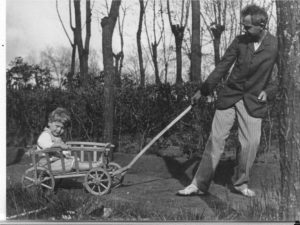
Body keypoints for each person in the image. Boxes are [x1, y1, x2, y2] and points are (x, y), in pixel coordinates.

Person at [178, 4, 278, 197]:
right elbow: (223, 66)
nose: (244, 30)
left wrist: (269, 91)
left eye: (248, 27)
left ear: (262, 25)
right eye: (243, 26)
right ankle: (199, 184)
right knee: (215, 139)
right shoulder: (240, 41)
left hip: (254, 100)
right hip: (230, 96)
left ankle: (241, 184)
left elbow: (282, 75)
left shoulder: (275, 44)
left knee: (251, 143)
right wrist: (204, 90)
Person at [36, 107, 103, 172]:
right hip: (48, 164)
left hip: (56, 162)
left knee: (74, 160)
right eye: (57, 126)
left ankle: (93, 165)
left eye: (62, 128)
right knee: (72, 163)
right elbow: (44, 144)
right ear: (49, 123)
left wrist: (66, 153)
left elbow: (61, 150)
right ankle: (95, 165)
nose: (59, 130)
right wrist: (58, 145)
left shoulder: (57, 138)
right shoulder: (45, 135)